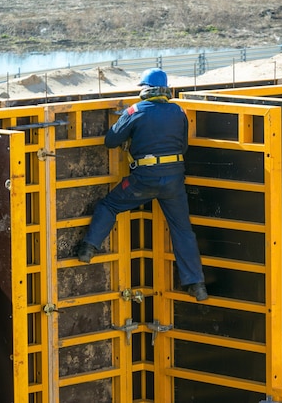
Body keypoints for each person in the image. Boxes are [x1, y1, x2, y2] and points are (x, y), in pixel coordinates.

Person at [76, 68, 208, 301]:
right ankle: (197, 285)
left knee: (110, 206)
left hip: (143, 180)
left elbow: (110, 141)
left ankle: (88, 248)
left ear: (145, 90)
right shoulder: (178, 112)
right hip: (174, 180)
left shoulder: (135, 111)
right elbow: (183, 147)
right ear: (165, 90)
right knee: (182, 230)